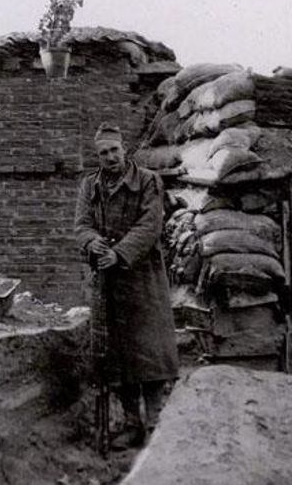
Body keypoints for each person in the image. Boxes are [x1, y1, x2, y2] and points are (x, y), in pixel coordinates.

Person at [75, 123, 179, 449]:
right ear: (98, 156)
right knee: (117, 357)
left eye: (114, 150)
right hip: (108, 285)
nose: (110, 158)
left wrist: (119, 254)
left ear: (124, 149)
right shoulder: (89, 185)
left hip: (142, 278)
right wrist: (93, 244)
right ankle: (132, 423)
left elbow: (150, 225)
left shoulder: (148, 181)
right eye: (103, 153)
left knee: (149, 354)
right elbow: (82, 224)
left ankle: (154, 425)